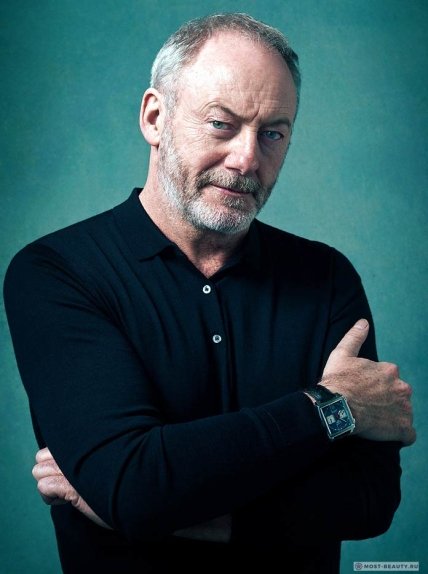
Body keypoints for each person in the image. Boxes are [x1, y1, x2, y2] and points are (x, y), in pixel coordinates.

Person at [3, 12, 415, 574]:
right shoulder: (57, 272)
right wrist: (332, 407)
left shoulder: (327, 277)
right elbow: (136, 486)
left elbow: (368, 501)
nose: (247, 158)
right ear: (155, 117)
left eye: (273, 133)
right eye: (222, 124)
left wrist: (156, 509)